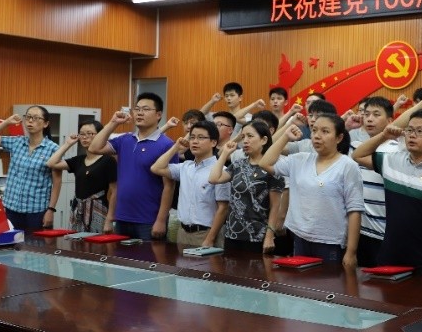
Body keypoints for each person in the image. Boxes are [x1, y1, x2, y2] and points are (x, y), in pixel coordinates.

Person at [352, 109, 422, 278]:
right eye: (409, 130)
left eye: (420, 131)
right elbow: (358, 155)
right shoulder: (392, 160)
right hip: (390, 254)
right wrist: (384, 136)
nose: (412, 135)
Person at [260, 113, 364, 266]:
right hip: (300, 237)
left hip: (330, 242)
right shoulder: (299, 159)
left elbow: (354, 210)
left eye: (325, 131)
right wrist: (285, 137)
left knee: (326, 281)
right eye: (314, 130)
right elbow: (265, 163)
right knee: (301, 280)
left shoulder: (348, 166)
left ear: (339, 138)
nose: (317, 136)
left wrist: (351, 252)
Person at [89, 93, 178, 240]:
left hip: (149, 220)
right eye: (137, 109)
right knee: (120, 255)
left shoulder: (167, 145)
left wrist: (161, 220)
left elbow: (169, 186)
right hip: (122, 217)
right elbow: (94, 148)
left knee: (149, 255)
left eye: (146, 109)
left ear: (158, 115)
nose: (140, 113)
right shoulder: (125, 139)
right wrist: (113, 122)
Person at [209, 119, 285, 254]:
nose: (245, 141)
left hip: (258, 236)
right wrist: (225, 153)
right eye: (243, 137)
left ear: (264, 140)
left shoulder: (272, 168)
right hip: (232, 234)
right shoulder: (238, 164)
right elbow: (213, 179)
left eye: (250, 136)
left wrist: (269, 236)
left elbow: (275, 207)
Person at [151, 120, 229, 248]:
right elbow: (156, 168)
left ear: (213, 142)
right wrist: (176, 147)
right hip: (183, 232)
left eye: (201, 137)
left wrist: (210, 238)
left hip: (206, 233)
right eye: (192, 137)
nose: (195, 141)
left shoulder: (221, 171)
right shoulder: (186, 167)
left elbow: (223, 208)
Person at [0, 105, 60, 232]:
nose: (30, 121)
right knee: (11, 242)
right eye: (28, 117)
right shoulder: (17, 142)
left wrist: (51, 210)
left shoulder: (53, 149)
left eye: (36, 118)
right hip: (11, 207)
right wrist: (7, 122)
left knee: (35, 244)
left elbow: (57, 183)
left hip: (36, 210)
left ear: (46, 124)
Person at [348, 97, 401, 267]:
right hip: (360, 232)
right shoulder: (355, 145)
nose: (369, 119)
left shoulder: (395, 151)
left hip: (384, 233)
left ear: (390, 121)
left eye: (376, 115)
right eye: (366, 114)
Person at [45, 120, 118, 233]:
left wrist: (110, 219)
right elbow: (51, 163)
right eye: (82, 134)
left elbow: (115, 191)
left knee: (96, 242)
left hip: (98, 210)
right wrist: (68, 144)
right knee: (76, 241)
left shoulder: (108, 160)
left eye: (89, 133)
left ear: (100, 135)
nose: (84, 137)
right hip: (78, 209)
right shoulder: (79, 160)